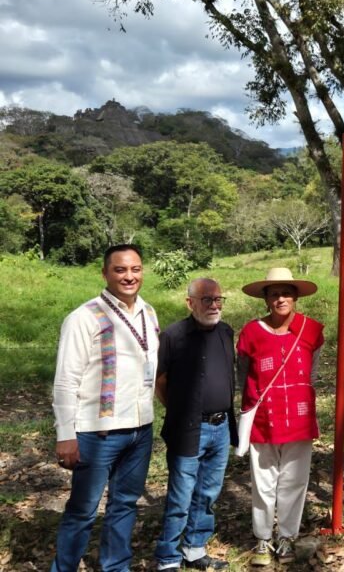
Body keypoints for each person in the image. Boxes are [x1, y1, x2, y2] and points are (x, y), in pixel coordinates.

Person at [50, 244, 160, 572]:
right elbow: (65, 382)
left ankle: (116, 566)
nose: (129, 276)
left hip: (140, 431)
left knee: (124, 505)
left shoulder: (149, 312)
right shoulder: (83, 318)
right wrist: (65, 434)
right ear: (105, 273)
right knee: (83, 510)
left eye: (135, 269)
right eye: (120, 270)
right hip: (97, 434)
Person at [238, 267, 324, 566]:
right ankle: (263, 538)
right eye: (273, 294)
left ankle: (287, 536)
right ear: (265, 300)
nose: (280, 299)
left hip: (299, 418)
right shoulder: (251, 332)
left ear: (296, 297)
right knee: (262, 481)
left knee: (295, 481)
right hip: (263, 418)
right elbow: (243, 375)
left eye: (286, 293)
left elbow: (313, 373)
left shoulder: (311, 329)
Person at [154, 278, 236, 571]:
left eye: (218, 299)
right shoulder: (174, 336)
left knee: (208, 493)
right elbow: (159, 380)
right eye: (207, 300)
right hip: (188, 429)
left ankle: (195, 549)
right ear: (190, 303)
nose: (214, 306)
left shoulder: (226, 332)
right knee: (180, 496)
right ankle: (167, 557)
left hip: (221, 427)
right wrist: (180, 411)